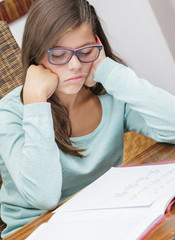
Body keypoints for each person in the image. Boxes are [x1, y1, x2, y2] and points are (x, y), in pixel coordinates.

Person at [0, 0, 175, 238]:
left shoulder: (109, 91)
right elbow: (44, 197)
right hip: (37, 229)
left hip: (105, 215)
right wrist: (36, 104)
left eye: (85, 51)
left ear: (98, 45)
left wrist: (109, 72)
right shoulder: (11, 112)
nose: (75, 66)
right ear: (35, 55)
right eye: (59, 54)